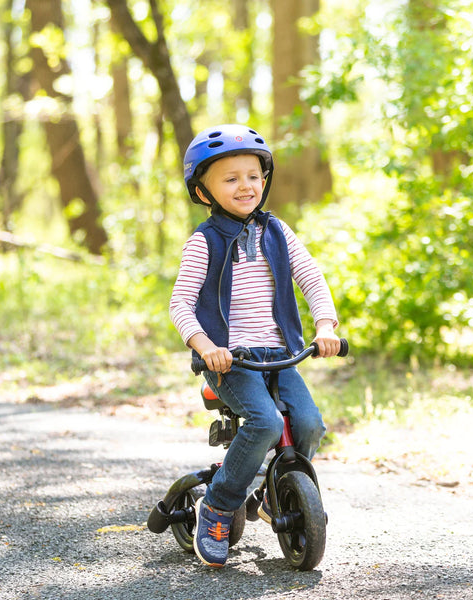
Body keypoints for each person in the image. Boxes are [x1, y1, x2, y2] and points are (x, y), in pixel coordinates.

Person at [169, 124, 340, 568]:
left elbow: (312, 278)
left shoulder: (277, 232)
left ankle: (275, 489)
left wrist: (324, 324)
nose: (245, 185)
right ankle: (220, 505)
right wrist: (206, 346)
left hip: (280, 355)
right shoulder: (202, 242)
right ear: (204, 192)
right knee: (264, 422)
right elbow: (181, 303)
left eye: (252, 175)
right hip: (232, 360)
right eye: (230, 179)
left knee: (309, 423)